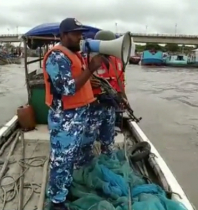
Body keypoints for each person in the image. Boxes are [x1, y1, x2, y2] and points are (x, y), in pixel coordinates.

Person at [42, 18, 102, 210]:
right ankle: (57, 201)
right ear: (64, 35)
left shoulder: (74, 54)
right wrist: (91, 69)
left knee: (71, 157)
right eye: (76, 33)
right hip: (65, 119)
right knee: (61, 160)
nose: (80, 37)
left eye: (81, 33)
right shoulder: (57, 57)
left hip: (77, 116)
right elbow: (67, 88)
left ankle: (65, 189)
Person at [78, 30, 126, 166]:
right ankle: (84, 165)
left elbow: (120, 82)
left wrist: (122, 97)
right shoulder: (87, 59)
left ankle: (108, 161)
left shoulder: (116, 60)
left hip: (109, 107)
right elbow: (76, 81)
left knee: (108, 138)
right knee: (87, 139)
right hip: (92, 107)